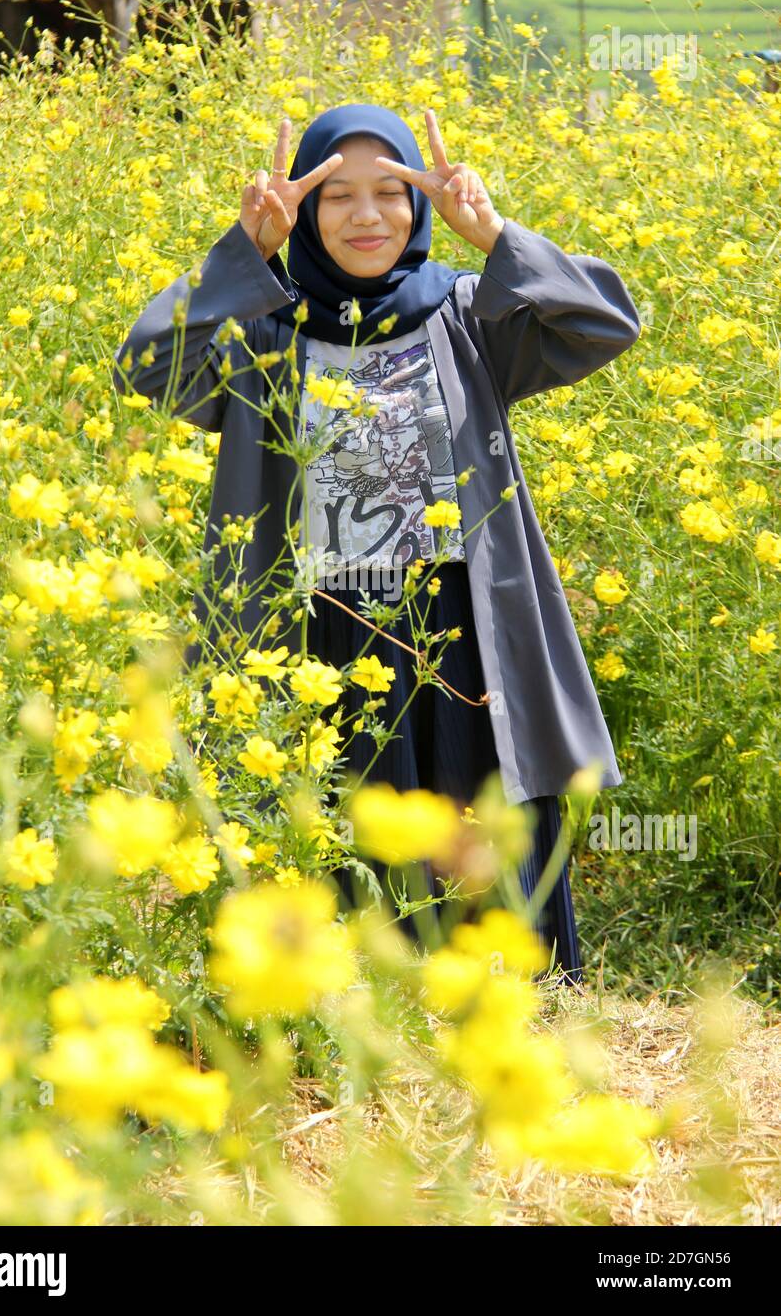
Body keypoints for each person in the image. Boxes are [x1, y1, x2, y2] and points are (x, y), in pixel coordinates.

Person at [113, 103, 642, 984]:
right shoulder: (266, 336)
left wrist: (496, 234)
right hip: (320, 628)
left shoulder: (468, 314)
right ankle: (353, 1019)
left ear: (421, 204)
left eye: (392, 192)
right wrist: (242, 254)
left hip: (459, 629)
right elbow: (143, 365)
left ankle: (510, 1003)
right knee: (340, 834)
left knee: (482, 823)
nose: (367, 217)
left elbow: (601, 324)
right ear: (304, 216)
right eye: (337, 197)